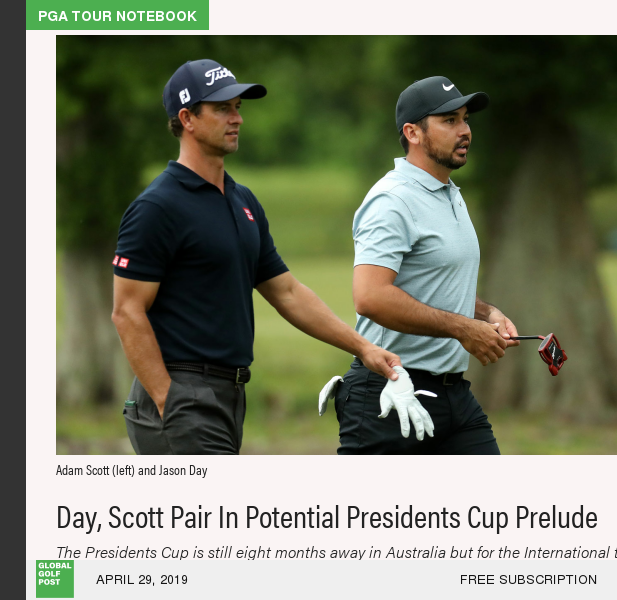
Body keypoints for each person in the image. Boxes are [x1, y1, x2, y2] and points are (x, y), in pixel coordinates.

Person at [112, 59, 404, 455]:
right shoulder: (158, 207)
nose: (237, 118)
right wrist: (168, 399)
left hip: (229, 395)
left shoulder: (242, 200)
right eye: (222, 108)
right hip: (181, 393)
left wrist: (363, 348)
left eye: (237, 108)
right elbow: (127, 311)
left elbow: (286, 292)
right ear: (187, 118)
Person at [322, 76, 520, 455]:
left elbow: (434, 283)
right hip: (390, 394)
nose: (465, 131)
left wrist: (485, 313)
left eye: (465, 119)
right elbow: (370, 297)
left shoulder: (448, 192)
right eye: (449, 120)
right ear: (412, 133)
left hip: (454, 395)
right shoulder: (392, 200)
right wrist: (463, 328)